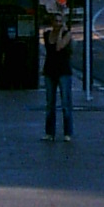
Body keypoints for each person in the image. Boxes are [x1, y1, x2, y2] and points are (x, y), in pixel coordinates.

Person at [42, 13, 74, 141]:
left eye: (60, 21)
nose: (58, 23)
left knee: (65, 103)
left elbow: (59, 46)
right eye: (56, 21)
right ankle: (49, 133)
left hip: (63, 71)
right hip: (50, 71)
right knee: (50, 103)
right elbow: (51, 45)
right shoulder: (47, 34)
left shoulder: (67, 34)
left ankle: (67, 133)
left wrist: (61, 32)